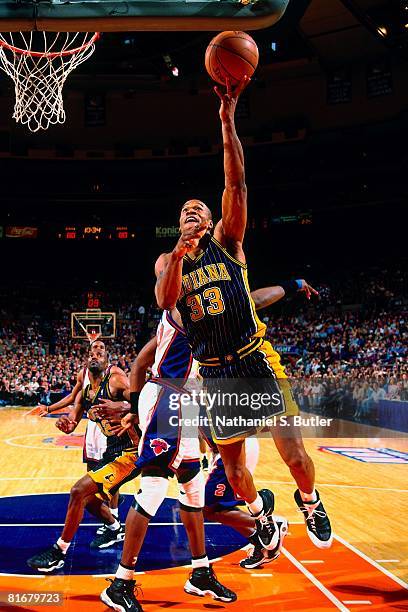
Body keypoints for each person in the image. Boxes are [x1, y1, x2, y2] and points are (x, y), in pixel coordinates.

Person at [155, 76, 332, 552]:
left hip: (255, 359)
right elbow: (166, 301)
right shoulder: (169, 261)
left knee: (294, 455)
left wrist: (227, 121)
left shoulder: (228, 243)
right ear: (179, 223)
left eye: (199, 210)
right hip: (216, 373)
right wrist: (179, 248)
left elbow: (237, 181)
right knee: (234, 472)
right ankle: (261, 518)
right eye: (185, 210)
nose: (192, 212)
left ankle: (310, 501)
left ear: (212, 220)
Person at [27, 343, 139, 572]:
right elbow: (72, 419)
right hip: (112, 451)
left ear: (107, 359)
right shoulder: (87, 390)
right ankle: (115, 527)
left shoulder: (116, 378)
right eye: (91, 354)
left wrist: (123, 405)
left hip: (131, 452)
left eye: (100, 353)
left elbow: (142, 402)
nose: (95, 356)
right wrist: (65, 423)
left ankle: (59, 551)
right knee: (87, 500)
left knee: (79, 491)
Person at [38, 340, 127, 535]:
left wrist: (124, 409)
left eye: (101, 348)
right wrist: (53, 411)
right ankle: (110, 519)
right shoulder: (84, 375)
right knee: (92, 473)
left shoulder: (115, 375)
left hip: (110, 429)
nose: (97, 351)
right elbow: (73, 399)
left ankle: (115, 516)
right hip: (92, 428)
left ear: (106, 355)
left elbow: (135, 399)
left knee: (110, 477)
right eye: (94, 349)